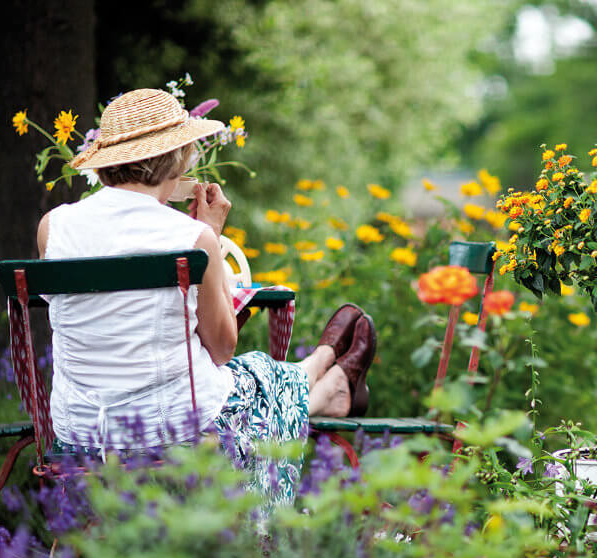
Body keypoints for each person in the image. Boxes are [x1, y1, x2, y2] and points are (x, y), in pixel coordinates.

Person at [36, 88, 374, 510]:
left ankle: (325, 375)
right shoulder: (191, 238)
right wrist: (209, 238)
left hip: (81, 431)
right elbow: (220, 348)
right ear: (177, 160)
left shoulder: (54, 226)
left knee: (253, 376)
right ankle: (322, 378)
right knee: (258, 371)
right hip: (172, 427)